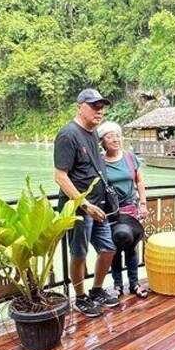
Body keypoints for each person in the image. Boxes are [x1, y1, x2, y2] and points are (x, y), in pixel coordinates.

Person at [53, 88, 119, 318]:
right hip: (80, 208)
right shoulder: (68, 135)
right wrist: (84, 205)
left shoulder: (92, 133)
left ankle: (96, 290)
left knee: (108, 248)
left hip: (98, 205)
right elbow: (60, 177)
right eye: (94, 106)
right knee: (79, 253)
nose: (99, 111)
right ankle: (80, 297)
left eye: (101, 107)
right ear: (79, 107)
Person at [98, 121, 150, 299]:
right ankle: (118, 285)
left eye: (117, 135)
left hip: (131, 210)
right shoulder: (100, 163)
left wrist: (143, 203)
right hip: (112, 213)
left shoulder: (129, 157)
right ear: (102, 141)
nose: (115, 139)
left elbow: (139, 181)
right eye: (110, 136)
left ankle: (134, 283)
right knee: (114, 247)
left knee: (131, 247)